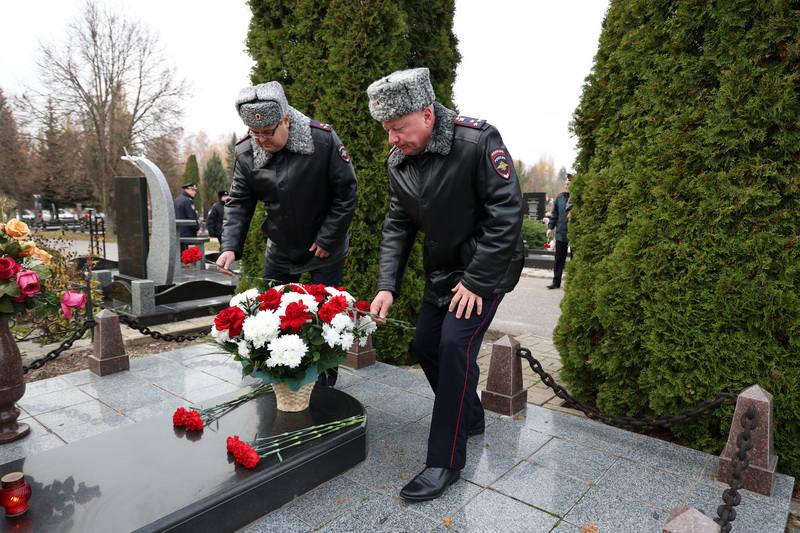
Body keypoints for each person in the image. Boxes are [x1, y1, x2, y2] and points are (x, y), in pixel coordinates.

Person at [367, 68, 524, 502]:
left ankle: (444, 461)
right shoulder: (399, 161)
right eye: (387, 130)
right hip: (443, 273)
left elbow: (507, 214)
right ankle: (470, 415)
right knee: (424, 346)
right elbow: (398, 224)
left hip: (487, 270)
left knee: (455, 346)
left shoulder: (477, 142)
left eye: (398, 128)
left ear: (426, 114)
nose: (392, 138)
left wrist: (477, 281)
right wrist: (387, 286)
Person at [216, 81, 358, 387]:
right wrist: (229, 246)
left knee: (326, 317)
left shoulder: (322, 140)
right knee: (272, 314)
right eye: (256, 134)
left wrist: (327, 238)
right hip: (280, 246)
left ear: (286, 120)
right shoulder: (245, 152)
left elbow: (346, 193)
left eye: (269, 132)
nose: (262, 140)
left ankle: (323, 384)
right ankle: (280, 377)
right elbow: (240, 201)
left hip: (325, 248)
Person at [547, 174, 572, 289]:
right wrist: (550, 227)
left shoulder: (578, 197)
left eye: (569, 184)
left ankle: (573, 284)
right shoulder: (559, 198)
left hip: (574, 234)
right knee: (559, 259)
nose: (567, 186)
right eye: (566, 184)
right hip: (561, 233)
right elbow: (554, 214)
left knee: (575, 259)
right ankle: (556, 282)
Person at [174, 182, 199, 251]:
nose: (195, 192)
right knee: (189, 257)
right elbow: (192, 218)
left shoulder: (177, 200)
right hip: (188, 234)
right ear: (187, 189)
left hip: (179, 233)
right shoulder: (188, 201)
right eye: (193, 190)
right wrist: (197, 227)